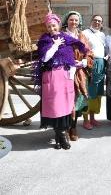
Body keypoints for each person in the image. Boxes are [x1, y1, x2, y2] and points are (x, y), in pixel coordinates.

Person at [35, 13, 87, 150]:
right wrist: (55, 45)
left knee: (65, 107)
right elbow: (45, 58)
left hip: (65, 76)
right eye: (49, 26)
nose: (52, 28)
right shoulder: (44, 40)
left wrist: (79, 64)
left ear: (58, 25)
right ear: (46, 28)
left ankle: (58, 138)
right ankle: (62, 137)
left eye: (54, 25)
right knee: (55, 107)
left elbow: (79, 47)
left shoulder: (65, 37)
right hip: (52, 76)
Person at [61, 11, 94, 141]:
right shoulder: (61, 35)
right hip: (65, 72)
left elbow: (89, 52)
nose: (73, 22)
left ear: (79, 22)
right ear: (67, 21)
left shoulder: (82, 35)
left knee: (78, 101)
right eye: (71, 20)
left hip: (80, 72)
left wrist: (84, 61)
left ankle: (73, 127)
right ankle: (65, 128)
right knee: (66, 101)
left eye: (76, 20)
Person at [82, 15, 106, 130]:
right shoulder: (85, 33)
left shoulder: (102, 35)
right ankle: (85, 119)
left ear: (102, 24)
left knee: (96, 92)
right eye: (95, 20)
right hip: (91, 63)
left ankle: (92, 117)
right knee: (89, 91)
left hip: (101, 64)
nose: (97, 22)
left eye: (99, 21)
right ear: (91, 21)